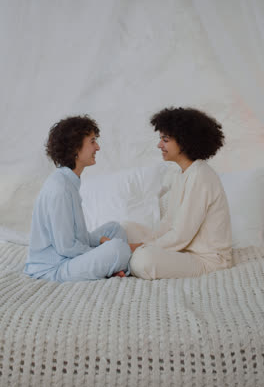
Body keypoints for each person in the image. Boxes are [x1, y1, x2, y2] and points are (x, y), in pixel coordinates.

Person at [24, 115, 140, 283]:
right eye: (92, 141)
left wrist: (100, 241)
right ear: (75, 149)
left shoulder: (68, 180)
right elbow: (66, 247)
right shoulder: (60, 189)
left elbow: (73, 235)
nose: (98, 147)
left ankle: (112, 265)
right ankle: (116, 263)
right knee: (117, 248)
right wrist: (108, 249)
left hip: (66, 254)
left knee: (114, 229)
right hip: (54, 268)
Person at [129, 107, 232, 280]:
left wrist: (140, 248)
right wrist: (143, 243)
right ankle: (126, 257)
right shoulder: (181, 173)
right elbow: (169, 222)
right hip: (185, 252)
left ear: (184, 142)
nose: (159, 145)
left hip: (208, 261)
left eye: (165, 139)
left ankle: (126, 260)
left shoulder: (201, 175)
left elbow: (181, 235)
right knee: (127, 228)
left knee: (143, 259)